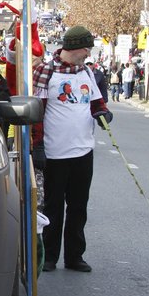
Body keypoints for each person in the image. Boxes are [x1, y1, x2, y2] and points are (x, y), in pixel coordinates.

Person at [33, 26, 112, 273]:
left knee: (79, 206)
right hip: (56, 152)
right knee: (54, 206)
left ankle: (75, 255)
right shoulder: (46, 72)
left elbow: (96, 103)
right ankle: (50, 255)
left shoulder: (86, 72)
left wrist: (102, 113)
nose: (89, 52)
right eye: (86, 47)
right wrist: (37, 146)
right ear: (76, 47)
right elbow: (37, 112)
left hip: (83, 151)